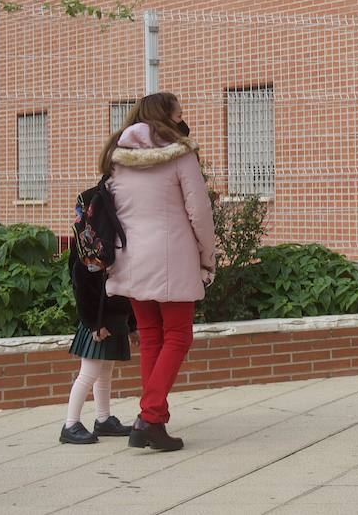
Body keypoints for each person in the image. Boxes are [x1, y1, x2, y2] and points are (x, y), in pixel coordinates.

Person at [104, 92, 214, 452]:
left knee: (151, 336)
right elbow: (199, 211)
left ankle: (154, 420)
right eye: (180, 112)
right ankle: (149, 416)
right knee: (179, 335)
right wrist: (208, 257)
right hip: (173, 256)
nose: (184, 117)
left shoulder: (119, 159)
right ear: (167, 116)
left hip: (131, 257)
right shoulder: (181, 155)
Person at [59, 239, 135, 444]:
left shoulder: (116, 241)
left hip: (114, 320)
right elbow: (83, 290)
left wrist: (132, 325)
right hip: (99, 324)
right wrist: (94, 323)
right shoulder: (90, 243)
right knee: (88, 373)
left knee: (104, 372)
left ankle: (103, 419)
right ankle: (70, 424)